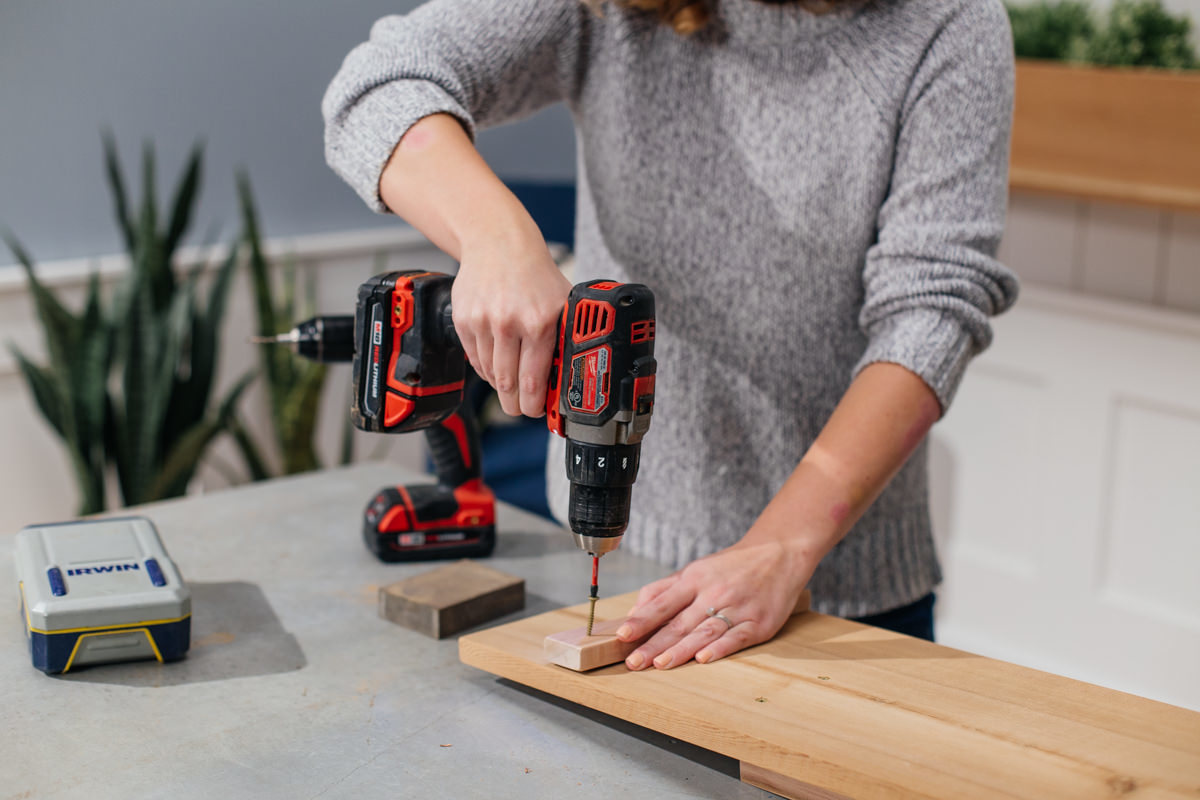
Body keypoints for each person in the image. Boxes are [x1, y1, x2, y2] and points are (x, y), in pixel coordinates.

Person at [323, 0, 1018, 670]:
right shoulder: (605, 8)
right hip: (618, 566)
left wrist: (781, 548)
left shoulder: (948, 20)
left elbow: (933, 311)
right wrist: (497, 239)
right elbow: (377, 85)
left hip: (844, 595)